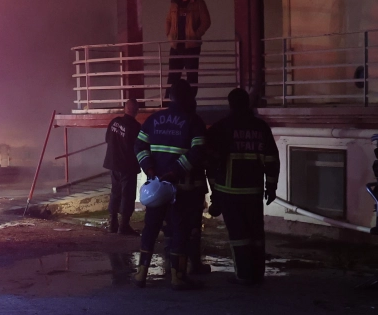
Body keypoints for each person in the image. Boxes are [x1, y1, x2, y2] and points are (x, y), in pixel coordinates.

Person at [134, 75, 208, 289]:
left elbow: (139, 147)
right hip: (181, 189)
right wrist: (175, 172)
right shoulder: (194, 121)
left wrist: (149, 169)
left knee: (150, 228)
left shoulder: (152, 119)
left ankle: (141, 275)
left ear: (170, 96)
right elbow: (198, 151)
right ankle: (177, 277)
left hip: (156, 188)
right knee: (179, 230)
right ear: (188, 97)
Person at [204, 87, 280, 285]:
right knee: (256, 233)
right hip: (254, 190)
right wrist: (271, 187)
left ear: (230, 104)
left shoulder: (221, 127)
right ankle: (257, 273)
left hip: (229, 191)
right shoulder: (261, 127)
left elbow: (211, 163)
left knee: (239, 235)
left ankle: (244, 275)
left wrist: (215, 194)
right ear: (247, 104)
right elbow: (272, 159)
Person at [102, 96, 141, 234]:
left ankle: (112, 224)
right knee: (128, 195)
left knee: (115, 193)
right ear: (136, 110)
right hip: (127, 166)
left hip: (113, 164)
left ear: (125, 108)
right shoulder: (136, 127)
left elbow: (107, 139)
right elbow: (139, 147)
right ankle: (123, 226)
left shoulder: (114, 122)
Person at [165, 0, 211, 87]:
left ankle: (189, 101)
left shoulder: (199, 2)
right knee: (173, 76)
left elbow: (206, 21)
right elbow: (168, 20)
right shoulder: (174, 3)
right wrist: (169, 35)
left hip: (191, 46)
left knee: (192, 76)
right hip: (176, 46)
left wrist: (195, 35)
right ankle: (168, 101)